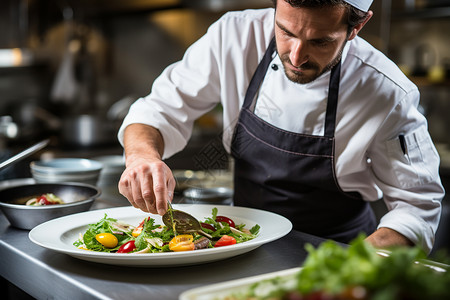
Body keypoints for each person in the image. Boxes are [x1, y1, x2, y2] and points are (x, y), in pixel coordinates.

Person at [117, 0, 445, 253]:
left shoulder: (387, 93)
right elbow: (157, 109)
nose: (297, 56)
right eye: (286, 32)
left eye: (320, 42)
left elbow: (417, 207)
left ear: (356, 28)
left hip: (333, 252)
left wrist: (354, 265)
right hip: (242, 244)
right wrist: (142, 157)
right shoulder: (234, 36)